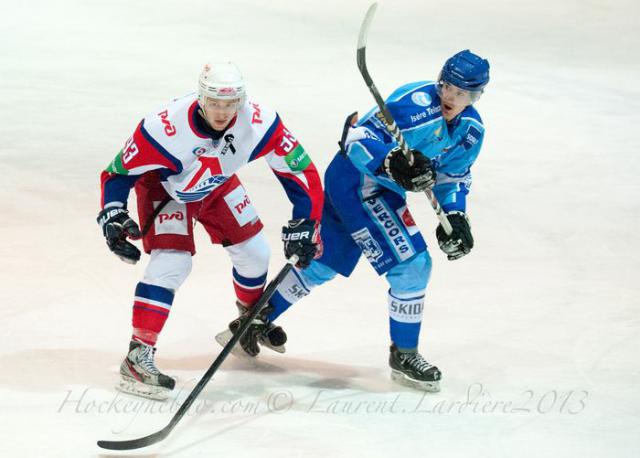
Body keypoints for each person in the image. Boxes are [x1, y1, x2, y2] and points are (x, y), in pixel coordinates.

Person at [222, 50, 490, 392]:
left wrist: (455, 215)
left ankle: (256, 320)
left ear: (477, 95)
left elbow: (453, 177)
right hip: (362, 184)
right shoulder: (415, 104)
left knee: (324, 263)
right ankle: (404, 353)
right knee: (412, 265)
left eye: (462, 93)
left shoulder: (471, 130)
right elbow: (356, 138)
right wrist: (392, 162)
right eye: (448, 87)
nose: (451, 97)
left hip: (355, 183)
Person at [97, 62, 324, 400]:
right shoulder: (163, 129)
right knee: (173, 262)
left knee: (256, 253)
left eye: (230, 104)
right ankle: (138, 354)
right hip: (164, 188)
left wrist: (307, 221)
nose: (222, 112)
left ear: (242, 101)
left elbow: (299, 170)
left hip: (216, 183)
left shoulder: (260, 122)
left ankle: (250, 320)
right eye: (215, 103)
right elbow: (117, 174)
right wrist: (113, 213)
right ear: (201, 97)